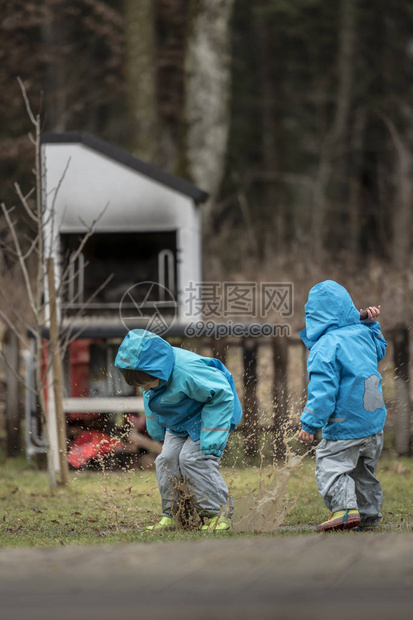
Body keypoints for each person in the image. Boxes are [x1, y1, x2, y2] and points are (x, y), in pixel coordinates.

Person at [115, 329, 242, 532]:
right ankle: (175, 514)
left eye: (147, 384)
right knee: (166, 460)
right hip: (180, 419)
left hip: (210, 415)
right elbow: (151, 401)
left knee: (192, 459)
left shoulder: (187, 371)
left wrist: (212, 436)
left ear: (158, 371)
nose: (145, 389)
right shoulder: (151, 376)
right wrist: (156, 431)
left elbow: (222, 394)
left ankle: (218, 515)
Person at [298, 280, 387, 532]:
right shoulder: (363, 334)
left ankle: (345, 510)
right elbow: (381, 350)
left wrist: (310, 423)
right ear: (349, 308)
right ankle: (369, 517)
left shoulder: (325, 347)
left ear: (313, 317)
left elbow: (323, 390)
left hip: (344, 424)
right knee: (363, 473)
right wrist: (371, 323)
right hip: (373, 422)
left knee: (330, 465)